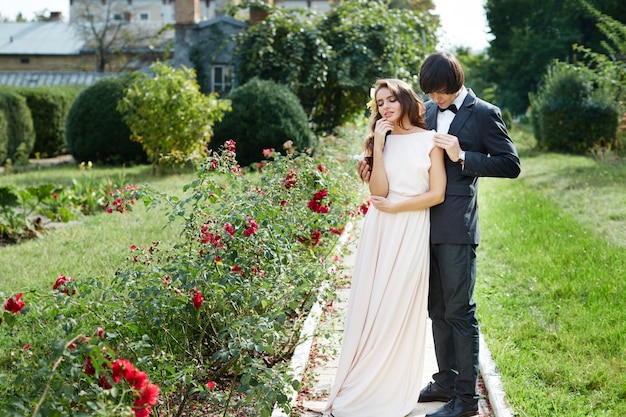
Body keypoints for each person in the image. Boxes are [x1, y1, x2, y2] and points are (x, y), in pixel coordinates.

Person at [358, 52, 521, 417]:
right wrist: (371, 157)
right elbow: (406, 144)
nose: (436, 101)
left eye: (443, 94)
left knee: (459, 310)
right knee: (436, 308)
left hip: (455, 226)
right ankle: (444, 381)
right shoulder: (429, 112)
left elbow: (511, 164)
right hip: (419, 224)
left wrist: (464, 154)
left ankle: (466, 400)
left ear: (457, 82)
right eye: (431, 94)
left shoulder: (484, 113)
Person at [322, 78, 446, 417]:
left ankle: (389, 388)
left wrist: (397, 207)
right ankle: (361, 383)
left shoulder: (428, 141)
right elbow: (378, 192)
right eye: (380, 103)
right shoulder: (380, 141)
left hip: (410, 226)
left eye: (391, 100)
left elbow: (437, 194)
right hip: (380, 230)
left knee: (397, 307)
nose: (386, 107)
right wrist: (378, 144)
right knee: (371, 307)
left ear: (405, 100)